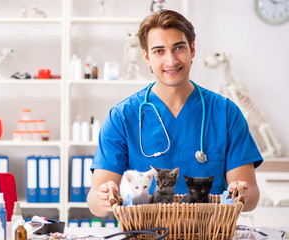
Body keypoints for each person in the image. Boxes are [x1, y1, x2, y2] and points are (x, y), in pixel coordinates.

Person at [87, 9, 262, 217]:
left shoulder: (226, 113)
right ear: (146, 57)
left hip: (210, 232)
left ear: (192, 50)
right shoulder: (122, 117)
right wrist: (103, 197)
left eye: (178, 48)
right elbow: (95, 204)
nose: (171, 61)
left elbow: (250, 198)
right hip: (145, 234)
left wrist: (242, 192)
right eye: (159, 51)